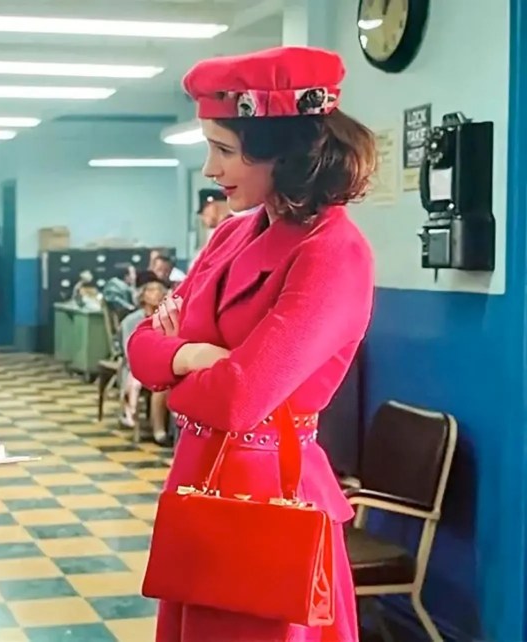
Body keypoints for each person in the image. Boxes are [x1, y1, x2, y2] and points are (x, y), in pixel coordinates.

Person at [127, 45, 376, 642]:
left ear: (283, 154)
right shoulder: (233, 234)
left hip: (268, 505)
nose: (210, 170)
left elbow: (241, 398)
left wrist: (177, 361)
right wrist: (192, 355)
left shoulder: (333, 252)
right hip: (199, 487)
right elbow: (140, 347)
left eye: (224, 150)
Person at [117, 272, 168, 437]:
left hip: (165, 363)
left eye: (160, 290)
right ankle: (158, 429)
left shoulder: (167, 318)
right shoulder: (131, 321)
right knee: (161, 382)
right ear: (142, 295)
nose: (157, 294)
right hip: (138, 366)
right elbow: (129, 351)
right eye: (151, 290)